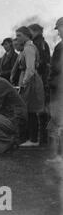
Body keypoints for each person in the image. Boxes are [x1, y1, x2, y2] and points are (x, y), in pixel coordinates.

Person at [15, 26, 45, 147]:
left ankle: (33, 139)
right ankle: (30, 138)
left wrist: (24, 83)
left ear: (26, 35)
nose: (17, 38)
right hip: (27, 78)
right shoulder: (27, 48)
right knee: (28, 110)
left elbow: (30, 69)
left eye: (19, 35)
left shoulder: (29, 48)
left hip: (30, 80)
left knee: (30, 110)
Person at [28, 24, 51, 146]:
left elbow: (42, 62)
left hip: (41, 80)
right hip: (42, 79)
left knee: (42, 112)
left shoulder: (39, 42)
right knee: (41, 111)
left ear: (36, 31)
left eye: (30, 31)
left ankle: (43, 140)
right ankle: (42, 139)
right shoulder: (39, 42)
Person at [46, 18, 63, 163]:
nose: (59, 33)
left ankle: (59, 157)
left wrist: (51, 82)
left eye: (59, 28)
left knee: (58, 121)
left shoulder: (60, 46)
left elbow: (55, 68)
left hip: (59, 88)